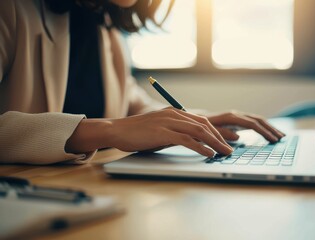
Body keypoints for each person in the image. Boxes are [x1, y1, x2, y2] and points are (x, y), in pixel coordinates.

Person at [0, 0, 284, 165]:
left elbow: (131, 102)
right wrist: (108, 130)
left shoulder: (104, 21)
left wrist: (193, 121)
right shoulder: (10, 9)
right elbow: (120, 124)